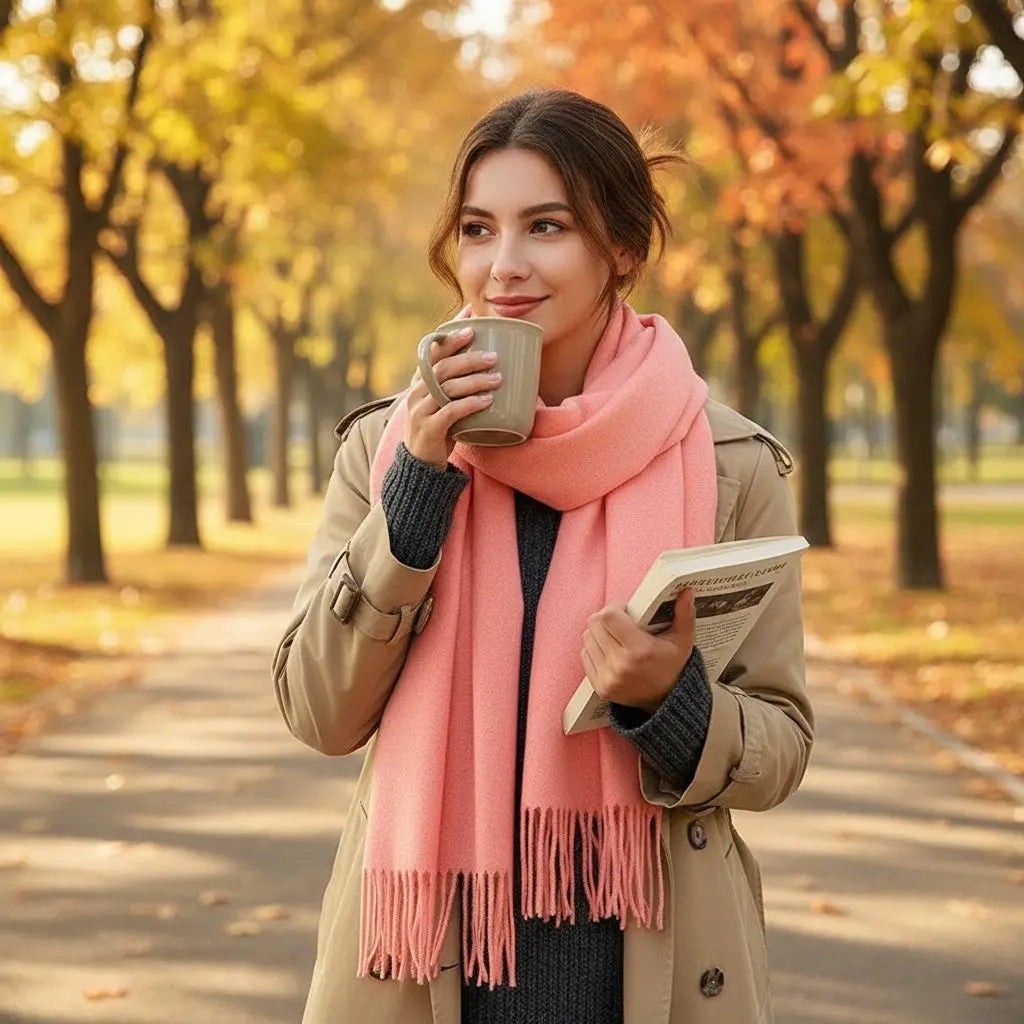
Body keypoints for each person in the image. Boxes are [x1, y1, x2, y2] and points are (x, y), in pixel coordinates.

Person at [272, 87, 813, 1024]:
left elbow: (781, 748)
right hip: (422, 973)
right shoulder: (389, 450)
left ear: (623, 252)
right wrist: (416, 495)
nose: (503, 265)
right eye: (478, 229)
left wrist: (671, 703)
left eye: (547, 226)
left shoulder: (728, 469)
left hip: (649, 972)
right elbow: (319, 712)